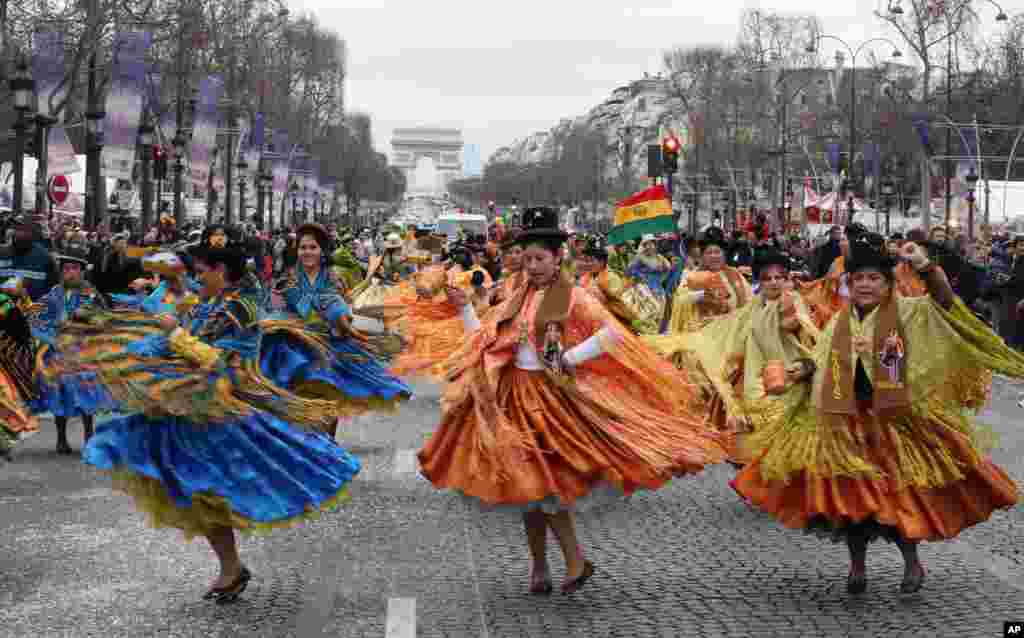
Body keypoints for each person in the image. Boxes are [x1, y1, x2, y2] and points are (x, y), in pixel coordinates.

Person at [418, 206, 727, 595]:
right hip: (513, 395)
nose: (531, 266)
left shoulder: (573, 295)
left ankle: (572, 562)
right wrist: (464, 307)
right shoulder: (515, 295)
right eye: (526, 258)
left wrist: (569, 357)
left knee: (547, 490)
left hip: (552, 399)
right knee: (525, 488)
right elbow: (484, 338)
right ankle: (541, 566)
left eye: (539, 258)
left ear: (556, 257)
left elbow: (611, 335)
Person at [49, 245, 360, 603]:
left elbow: (217, 361)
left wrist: (173, 334)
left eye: (201, 271)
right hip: (188, 409)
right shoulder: (207, 304)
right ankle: (231, 567)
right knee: (198, 493)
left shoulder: (239, 309)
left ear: (221, 271)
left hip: (220, 412)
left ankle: (232, 566)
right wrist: (122, 354)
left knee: (216, 489)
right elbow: (171, 340)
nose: (196, 278)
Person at [732, 237, 1023, 595]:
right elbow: (821, 360)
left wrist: (926, 267)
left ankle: (912, 563)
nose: (866, 285)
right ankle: (857, 567)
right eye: (859, 280)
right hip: (846, 422)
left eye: (874, 279)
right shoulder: (840, 321)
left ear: (888, 284)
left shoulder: (907, 311)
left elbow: (945, 303)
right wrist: (798, 372)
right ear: (849, 286)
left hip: (896, 421)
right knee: (852, 498)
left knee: (900, 495)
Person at [263, 224, 411, 430]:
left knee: (328, 403)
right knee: (296, 405)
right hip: (295, 348)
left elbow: (339, 305)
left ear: (322, 250)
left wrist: (343, 321)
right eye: (303, 247)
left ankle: (326, 444)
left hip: (330, 344)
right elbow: (275, 307)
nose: (307, 252)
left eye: (312, 247)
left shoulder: (333, 276)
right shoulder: (288, 277)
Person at [29, 252, 116, 454]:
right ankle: (61, 438)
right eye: (66, 269)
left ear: (81, 272)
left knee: (87, 394)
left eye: (74, 269)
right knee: (59, 393)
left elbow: (104, 318)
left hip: (83, 351)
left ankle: (88, 435)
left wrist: (88, 319)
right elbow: (37, 313)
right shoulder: (54, 293)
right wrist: (50, 327)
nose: (69, 273)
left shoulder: (91, 293)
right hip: (58, 350)